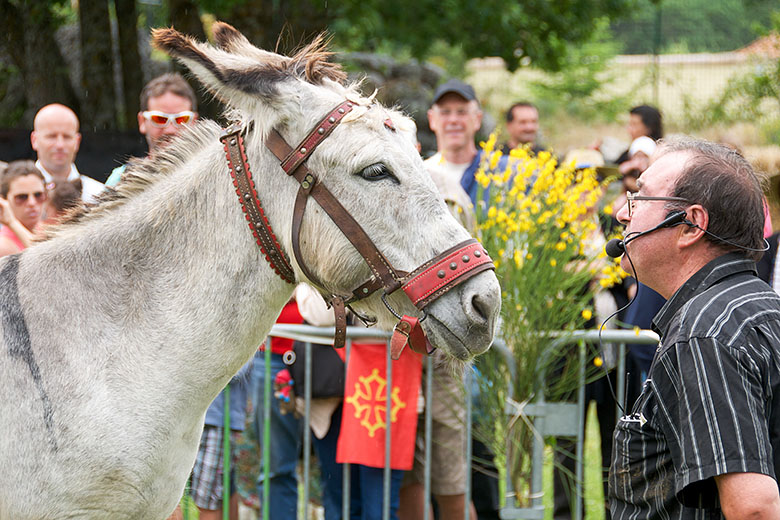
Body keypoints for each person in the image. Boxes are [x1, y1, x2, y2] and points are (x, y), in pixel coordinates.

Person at [608, 136, 780, 519]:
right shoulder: (758, 306)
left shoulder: (703, 333)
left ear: (690, 225)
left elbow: (753, 508)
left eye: (640, 196)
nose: (622, 213)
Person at [397, 78, 482, 520]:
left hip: (446, 350)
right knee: (407, 459)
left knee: (450, 457)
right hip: (397, 348)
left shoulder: (450, 193)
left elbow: (473, 266)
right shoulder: (382, 195)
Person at [105, 73, 198, 186]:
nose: (170, 129)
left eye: (181, 119)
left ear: (194, 121)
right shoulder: (121, 179)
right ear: (142, 121)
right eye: (160, 119)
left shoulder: (211, 176)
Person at [31, 104, 104, 203]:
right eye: (51, 136)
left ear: (77, 141)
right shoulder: (11, 193)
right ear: (34, 140)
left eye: (67, 137)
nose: (60, 145)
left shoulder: (97, 195)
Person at [0, 160, 46, 256]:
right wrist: (11, 222)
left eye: (38, 195)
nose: (32, 203)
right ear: (4, 200)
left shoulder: (51, 229)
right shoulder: (3, 246)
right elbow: (43, 257)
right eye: (22, 197)